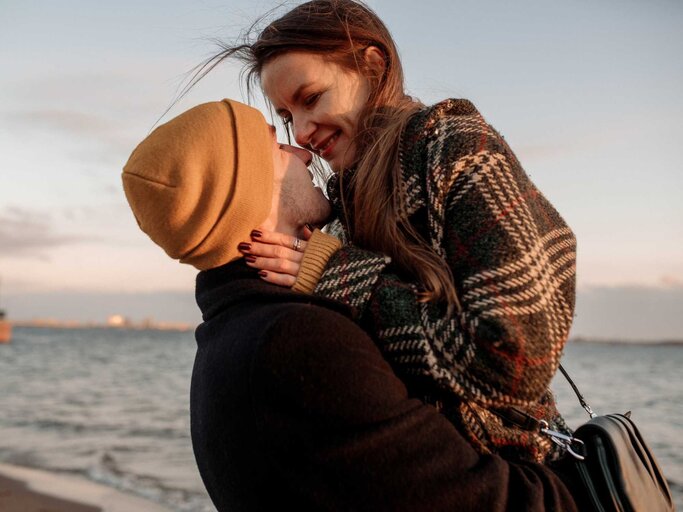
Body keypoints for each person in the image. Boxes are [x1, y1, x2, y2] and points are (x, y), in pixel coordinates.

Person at [121, 99, 583, 511]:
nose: (302, 151)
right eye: (278, 148)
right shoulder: (296, 342)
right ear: (248, 192)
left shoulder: (230, 339)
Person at [186, 0, 577, 463]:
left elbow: (515, 361)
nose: (303, 131)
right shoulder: (342, 199)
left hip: (519, 476)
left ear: (372, 66)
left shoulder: (456, 148)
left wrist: (338, 275)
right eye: (288, 116)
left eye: (311, 98)